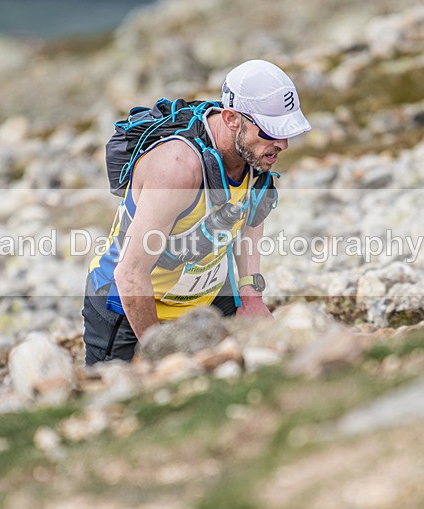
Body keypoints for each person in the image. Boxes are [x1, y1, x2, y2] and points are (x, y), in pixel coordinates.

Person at [83, 59, 311, 365]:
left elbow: (250, 213)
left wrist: (250, 294)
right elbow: (130, 275)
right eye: (271, 131)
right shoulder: (178, 168)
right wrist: (161, 354)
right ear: (231, 119)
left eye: (286, 132)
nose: (282, 144)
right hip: (128, 307)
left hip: (206, 301)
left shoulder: (253, 153)